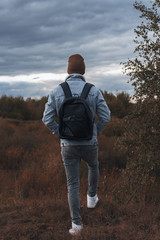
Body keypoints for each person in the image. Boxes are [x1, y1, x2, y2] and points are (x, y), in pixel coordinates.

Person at [42, 54, 111, 235]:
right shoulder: (93, 90)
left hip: (68, 145)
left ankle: (77, 226)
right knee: (93, 166)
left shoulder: (57, 91)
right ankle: (91, 197)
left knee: (72, 185)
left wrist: (61, 133)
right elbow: (106, 116)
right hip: (90, 142)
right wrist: (95, 131)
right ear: (84, 70)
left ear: (68, 70)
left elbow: (46, 119)